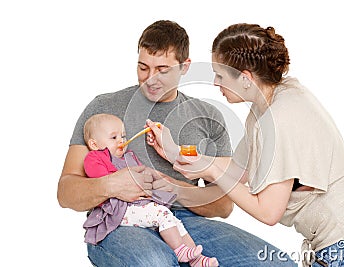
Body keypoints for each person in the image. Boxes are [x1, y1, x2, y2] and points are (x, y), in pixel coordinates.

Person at [146, 23, 344, 267]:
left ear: (245, 78)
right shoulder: (268, 103)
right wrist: (176, 153)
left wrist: (213, 172)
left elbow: (268, 211)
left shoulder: (279, 119)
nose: (215, 83)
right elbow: (241, 169)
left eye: (220, 75)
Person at [57, 20, 295, 266]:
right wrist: (111, 185)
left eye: (162, 70)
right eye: (142, 68)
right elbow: (66, 192)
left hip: (183, 221)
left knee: (278, 263)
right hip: (118, 221)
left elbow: (222, 207)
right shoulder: (103, 108)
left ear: (185, 67)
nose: (150, 79)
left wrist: (173, 187)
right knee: (156, 262)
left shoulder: (208, 116)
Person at [82, 113, 218, 266]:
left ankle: (196, 259)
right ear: (94, 144)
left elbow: (144, 173)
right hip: (119, 210)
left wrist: (153, 178)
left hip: (138, 205)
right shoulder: (95, 158)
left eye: (123, 136)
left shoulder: (128, 157)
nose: (121, 141)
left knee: (175, 221)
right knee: (162, 214)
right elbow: (103, 181)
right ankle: (179, 250)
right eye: (114, 138)